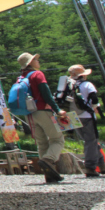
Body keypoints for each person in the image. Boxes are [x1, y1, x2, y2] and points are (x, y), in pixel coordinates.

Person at [17, 52, 67, 182]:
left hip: (29, 114)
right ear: (30, 63)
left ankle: (50, 175)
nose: (38, 61)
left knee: (42, 143)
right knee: (58, 139)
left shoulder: (21, 77)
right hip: (43, 111)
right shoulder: (37, 74)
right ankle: (48, 160)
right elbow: (46, 94)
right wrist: (57, 110)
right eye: (35, 59)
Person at [67, 64, 105, 177]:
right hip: (86, 116)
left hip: (73, 117)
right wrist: (94, 108)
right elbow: (94, 98)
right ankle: (90, 167)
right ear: (82, 75)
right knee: (91, 141)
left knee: (90, 141)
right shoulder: (87, 84)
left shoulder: (68, 85)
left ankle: (102, 165)